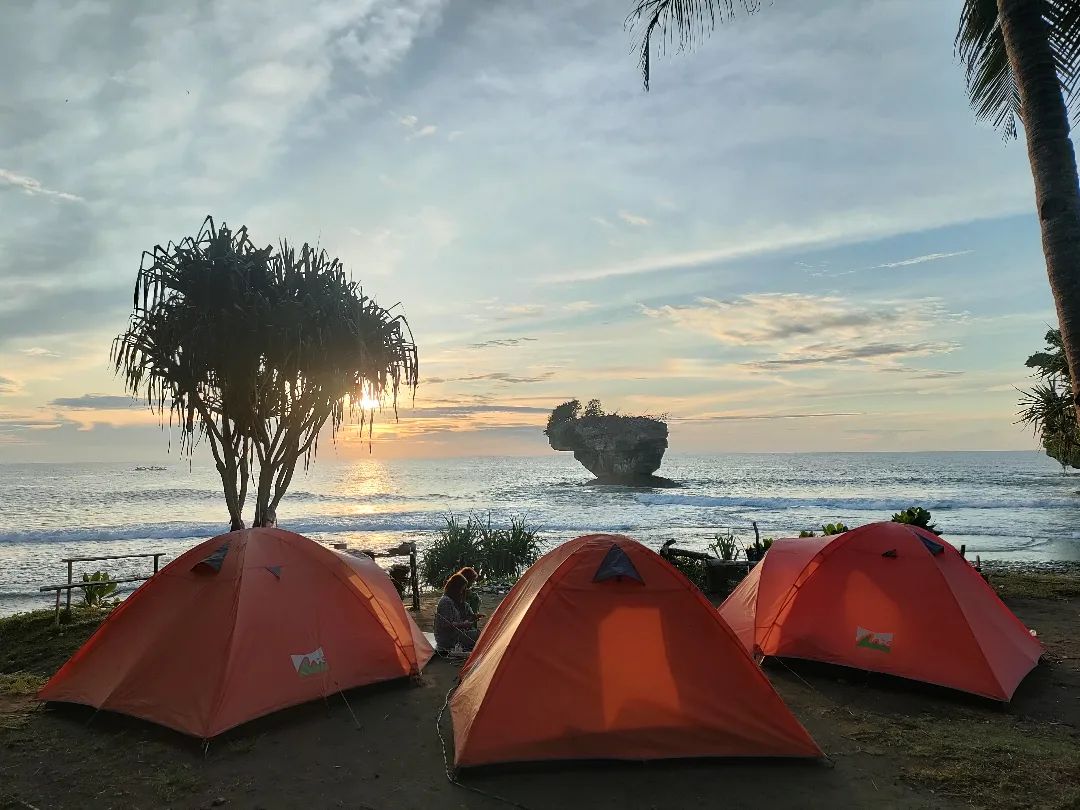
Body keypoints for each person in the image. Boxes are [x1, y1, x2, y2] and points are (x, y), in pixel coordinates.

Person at [434, 573, 479, 653]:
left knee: (479, 633)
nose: (462, 592)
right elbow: (446, 625)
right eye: (462, 589)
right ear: (456, 588)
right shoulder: (446, 602)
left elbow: (457, 619)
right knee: (480, 635)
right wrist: (463, 624)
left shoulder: (453, 601)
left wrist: (470, 619)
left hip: (454, 635)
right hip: (447, 639)